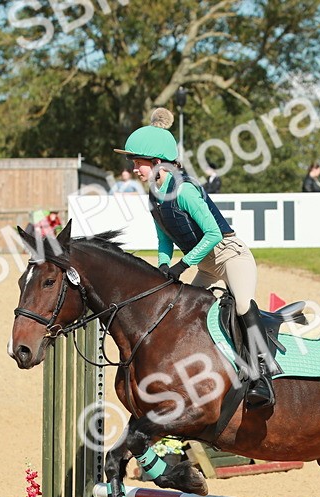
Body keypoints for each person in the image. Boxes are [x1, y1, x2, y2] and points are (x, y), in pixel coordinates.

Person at [114, 107, 274, 408]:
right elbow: (164, 237)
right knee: (186, 308)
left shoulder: (184, 189)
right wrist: (164, 266)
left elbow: (213, 234)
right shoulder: (155, 194)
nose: (135, 169)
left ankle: (261, 376)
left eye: (139, 163)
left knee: (240, 304)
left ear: (158, 162)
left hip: (230, 256)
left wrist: (181, 266)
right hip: (205, 263)